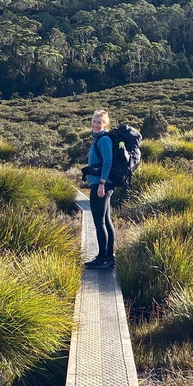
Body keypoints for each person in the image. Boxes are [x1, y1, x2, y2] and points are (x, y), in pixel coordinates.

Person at [85, 109, 115, 269]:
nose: (96, 125)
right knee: (106, 221)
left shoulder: (104, 140)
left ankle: (103, 258)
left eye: (99, 122)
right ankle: (108, 257)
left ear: (105, 124)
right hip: (102, 183)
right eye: (94, 122)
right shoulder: (99, 139)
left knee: (99, 222)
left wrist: (102, 183)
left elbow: (108, 161)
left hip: (101, 185)